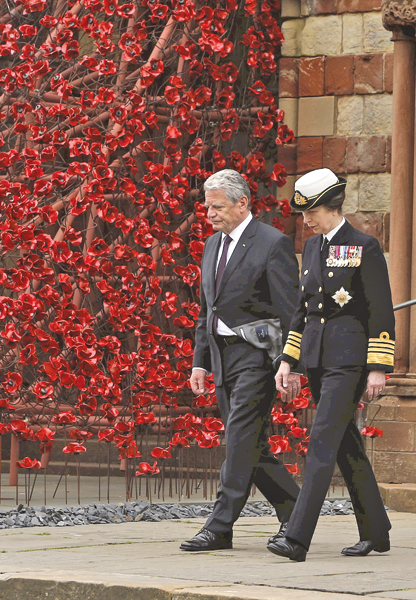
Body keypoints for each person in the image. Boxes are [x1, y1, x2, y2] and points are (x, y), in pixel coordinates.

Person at [267, 168, 394, 562]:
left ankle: (296, 537)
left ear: (332, 206)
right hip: (319, 361)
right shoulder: (313, 249)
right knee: (345, 447)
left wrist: (379, 366)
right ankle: (376, 530)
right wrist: (289, 361)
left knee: (321, 443)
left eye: (312, 211)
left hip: (350, 362)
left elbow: (381, 310)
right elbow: (302, 313)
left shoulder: (364, 246)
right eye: (303, 213)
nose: (306, 220)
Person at [181, 169, 302, 552]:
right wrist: (200, 362)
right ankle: (299, 517)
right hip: (221, 359)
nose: (210, 214)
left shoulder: (273, 243)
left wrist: (291, 363)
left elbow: (291, 311)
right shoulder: (212, 246)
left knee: (238, 439)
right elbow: (207, 311)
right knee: (252, 445)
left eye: (216, 207)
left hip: (258, 357)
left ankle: (219, 527)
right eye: (206, 207)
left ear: (242, 203)